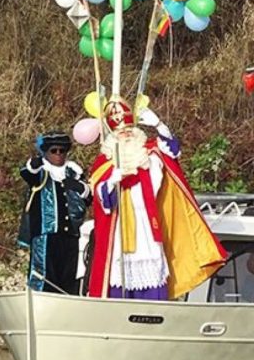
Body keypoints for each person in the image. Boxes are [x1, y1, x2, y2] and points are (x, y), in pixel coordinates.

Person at [87, 98, 226, 299]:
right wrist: (113, 180)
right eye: (120, 133)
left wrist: (160, 126)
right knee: (117, 280)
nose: (126, 136)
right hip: (118, 233)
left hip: (147, 230)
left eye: (129, 131)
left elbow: (172, 151)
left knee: (152, 279)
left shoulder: (150, 156)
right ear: (112, 137)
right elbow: (101, 197)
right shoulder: (105, 163)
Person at [19, 131, 90, 294]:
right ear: (46, 152)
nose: (58, 154)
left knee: (68, 276)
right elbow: (28, 174)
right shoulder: (41, 172)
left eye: (62, 150)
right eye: (54, 150)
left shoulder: (73, 172)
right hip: (46, 234)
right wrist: (35, 164)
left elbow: (88, 198)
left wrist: (79, 188)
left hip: (71, 235)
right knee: (43, 275)